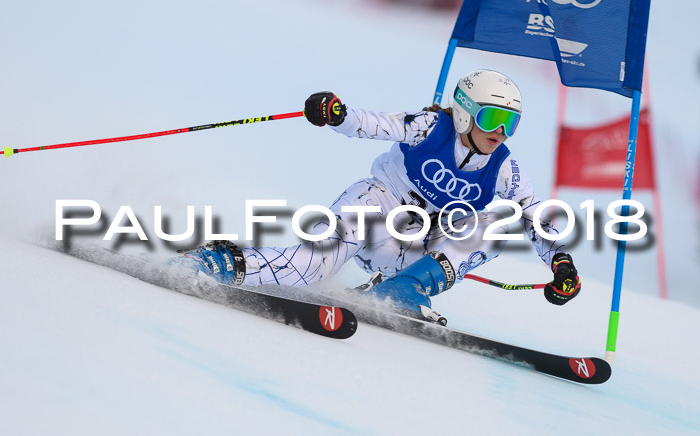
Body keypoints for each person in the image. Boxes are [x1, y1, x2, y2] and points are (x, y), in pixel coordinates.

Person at [181, 70, 581, 322]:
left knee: (501, 225)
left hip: (414, 253)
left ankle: (405, 290)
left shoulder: (506, 170)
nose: (502, 132)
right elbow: (375, 124)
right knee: (308, 270)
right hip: (377, 208)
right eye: (494, 118)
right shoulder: (431, 126)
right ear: (464, 111)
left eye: (511, 122)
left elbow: (534, 217)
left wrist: (561, 263)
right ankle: (216, 260)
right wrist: (337, 114)